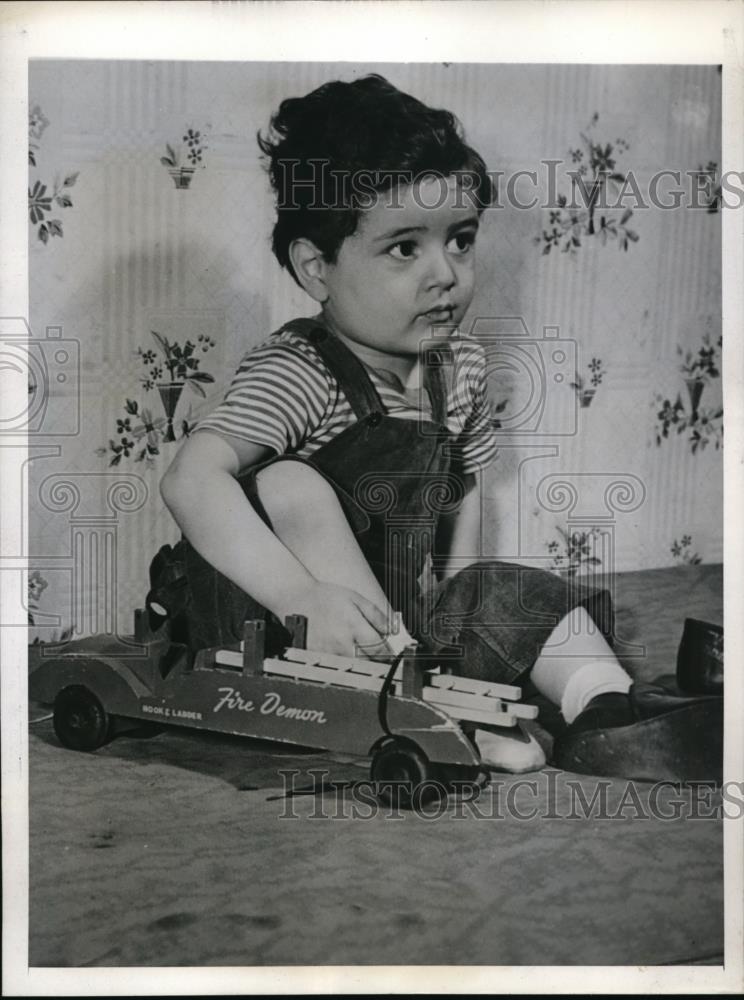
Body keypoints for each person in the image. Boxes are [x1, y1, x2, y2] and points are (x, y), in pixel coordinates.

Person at [158, 75, 720, 779]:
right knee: (288, 481)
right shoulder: (297, 371)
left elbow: (466, 491)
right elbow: (190, 478)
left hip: (395, 624)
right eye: (404, 249)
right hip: (278, 624)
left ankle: (606, 712)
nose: (445, 274)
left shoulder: (461, 370)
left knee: (501, 588)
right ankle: (425, 706)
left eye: (459, 240)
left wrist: (465, 619)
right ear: (316, 267)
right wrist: (303, 600)